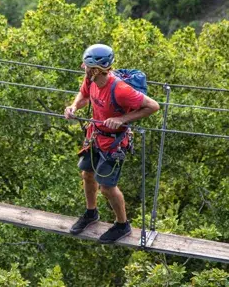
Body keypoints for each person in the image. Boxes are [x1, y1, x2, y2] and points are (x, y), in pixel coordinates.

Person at [64, 44, 159, 243]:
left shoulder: (121, 90)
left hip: (114, 143)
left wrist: (122, 120)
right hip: (96, 136)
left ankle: (122, 225)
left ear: (97, 70)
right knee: (87, 174)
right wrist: (73, 107)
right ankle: (91, 213)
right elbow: (84, 95)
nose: (83, 67)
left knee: (107, 187)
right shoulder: (91, 80)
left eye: (87, 66)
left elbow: (153, 106)